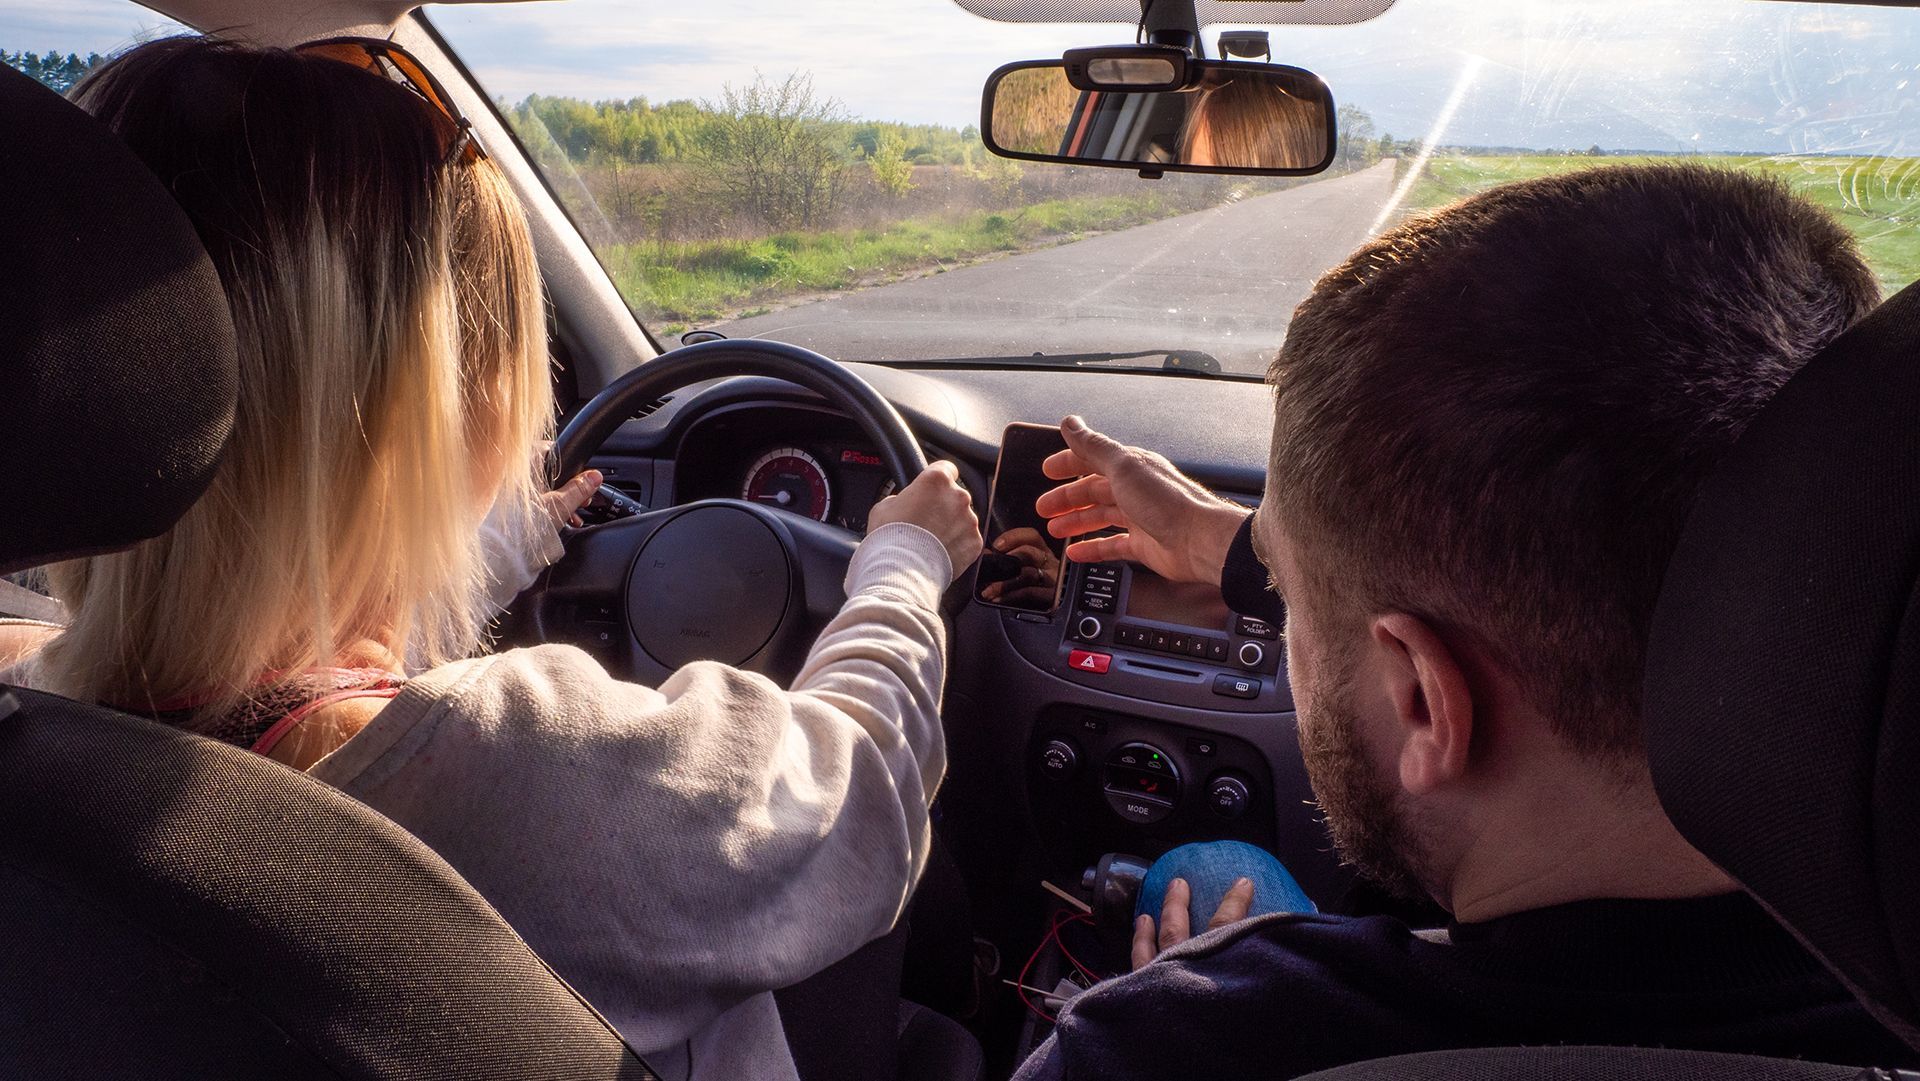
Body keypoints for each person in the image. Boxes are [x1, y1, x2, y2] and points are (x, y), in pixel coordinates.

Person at [4, 37, 980, 1081]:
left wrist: (513, 539)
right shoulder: (519, 765)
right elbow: (861, 794)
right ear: (423, 406)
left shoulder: (38, 717)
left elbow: (294, 662)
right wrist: (906, 565)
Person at [1015, 164, 1920, 1079]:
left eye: (1286, 592)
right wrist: (1245, 546)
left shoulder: (1165, 1043)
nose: (1283, 614)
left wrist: (1192, 999)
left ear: (1423, 699)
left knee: (1214, 865)